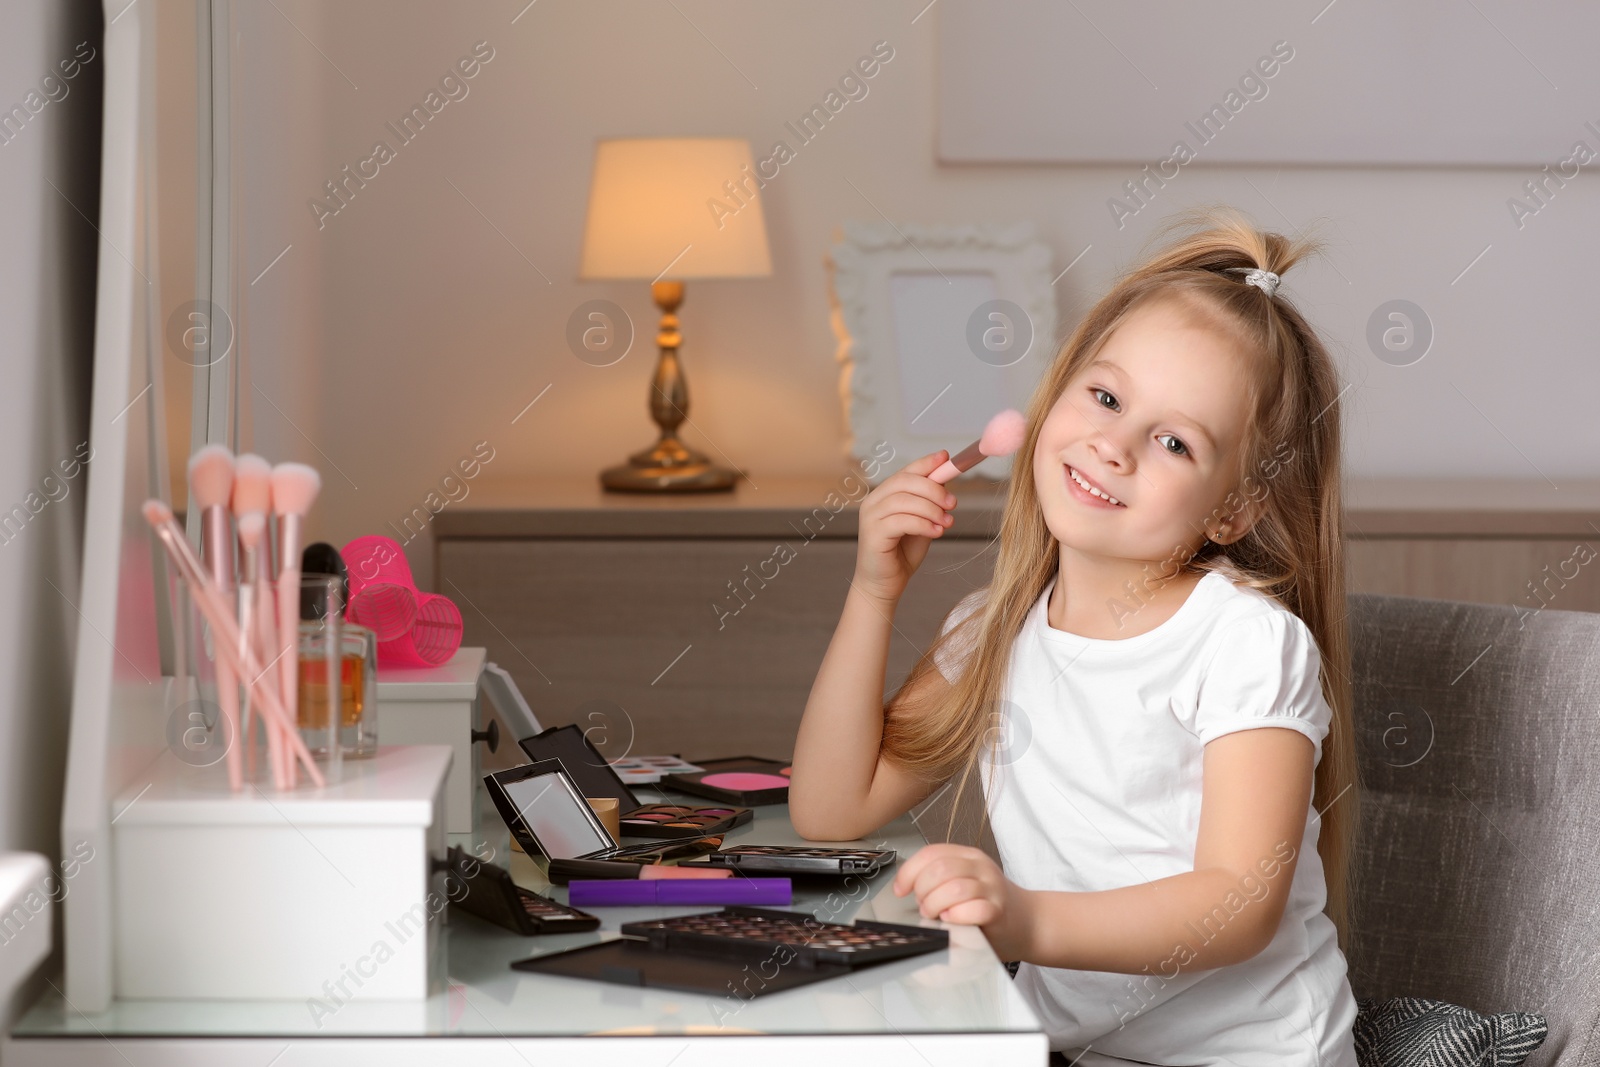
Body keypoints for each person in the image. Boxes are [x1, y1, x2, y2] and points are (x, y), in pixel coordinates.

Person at [790, 206, 1361, 1066]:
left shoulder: (1244, 642)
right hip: (1079, 1050)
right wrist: (873, 592)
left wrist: (1026, 918)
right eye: (1104, 396)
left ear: (1233, 509)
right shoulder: (990, 628)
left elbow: (1240, 901)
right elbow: (831, 809)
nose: (1114, 445)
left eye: (1173, 440)